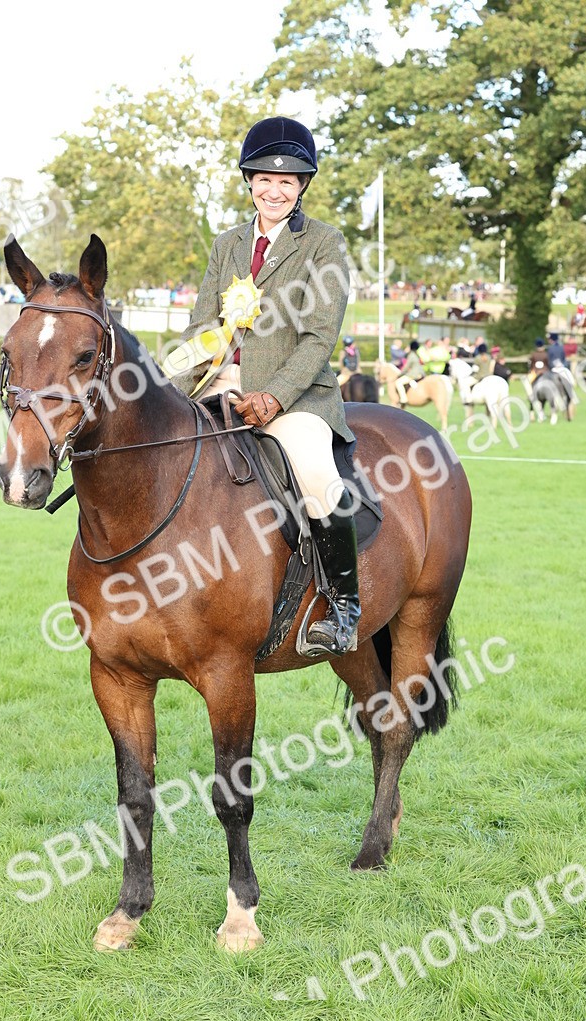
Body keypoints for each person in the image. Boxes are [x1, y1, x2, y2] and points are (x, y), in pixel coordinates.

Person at [170, 116, 359, 655]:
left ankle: (345, 606)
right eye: (264, 180)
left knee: (318, 475)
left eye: (287, 182)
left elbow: (319, 337)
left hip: (295, 394)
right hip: (219, 382)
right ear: (250, 181)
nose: (274, 190)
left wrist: (273, 396)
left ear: (301, 187)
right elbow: (203, 327)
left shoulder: (323, 243)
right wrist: (165, 382)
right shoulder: (227, 244)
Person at [394, 339, 424, 404]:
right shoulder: (417, 354)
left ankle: (403, 399)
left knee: (398, 382)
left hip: (414, 374)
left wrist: (400, 374)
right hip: (420, 373)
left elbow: (406, 367)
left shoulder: (411, 355)